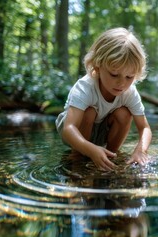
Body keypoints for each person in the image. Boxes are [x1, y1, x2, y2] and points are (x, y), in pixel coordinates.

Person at [55, 27, 152, 171]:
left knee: (124, 113)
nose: (122, 83)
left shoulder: (129, 92)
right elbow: (69, 128)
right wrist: (89, 149)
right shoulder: (85, 87)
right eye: (114, 74)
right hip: (73, 132)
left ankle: (110, 156)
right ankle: (78, 159)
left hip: (100, 130)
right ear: (97, 66)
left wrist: (141, 150)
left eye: (129, 77)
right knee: (89, 112)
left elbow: (144, 128)